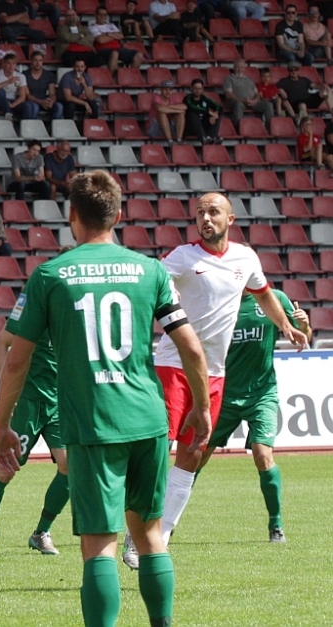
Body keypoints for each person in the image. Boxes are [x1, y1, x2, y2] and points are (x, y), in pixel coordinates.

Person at [0, 169, 212, 627]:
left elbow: (15, 361)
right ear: (119, 214)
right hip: (147, 419)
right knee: (150, 534)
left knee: (98, 543)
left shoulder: (51, 275)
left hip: (93, 424)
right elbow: (191, 348)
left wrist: (1, 425)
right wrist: (203, 407)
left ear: (71, 214)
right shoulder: (150, 270)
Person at [121, 192, 309, 569]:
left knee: (192, 455)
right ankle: (134, 532)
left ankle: (160, 537)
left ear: (230, 219)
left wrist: (286, 326)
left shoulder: (245, 258)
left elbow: (264, 294)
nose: (206, 218)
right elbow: (151, 280)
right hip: (174, 366)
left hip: (214, 374)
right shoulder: (183, 257)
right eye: (200, 213)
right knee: (157, 450)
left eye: (213, 212)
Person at [198, 290, 311, 543]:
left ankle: (276, 525)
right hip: (224, 395)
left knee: (263, 455)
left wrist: (303, 325)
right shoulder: (219, 300)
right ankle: (167, 522)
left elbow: (302, 336)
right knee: (196, 457)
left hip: (262, 394)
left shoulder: (274, 299)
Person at [0, 295, 67, 557]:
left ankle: (41, 533)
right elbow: (1, 344)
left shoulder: (77, 314)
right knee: (6, 469)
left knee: (69, 466)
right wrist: (7, 393)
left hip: (59, 404)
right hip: (28, 403)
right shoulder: (35, 309)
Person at [90, 6, 143, 74]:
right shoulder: (92, 27)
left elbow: (121, 36)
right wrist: (114, 36)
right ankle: (110, 78)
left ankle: (130, 77)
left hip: (117, 48)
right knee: (115, 53)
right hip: (102, 50)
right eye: (100, 14)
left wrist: (107, 34)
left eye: (105, 15)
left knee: (139, 55)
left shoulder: (111, 25)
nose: (103, 16)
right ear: (95, 15)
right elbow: (100, 40)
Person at [224, 59, 274, 124]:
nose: (240, 69)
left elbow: (256, 93)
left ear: (244, 69)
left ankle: (270, 127)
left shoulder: (249, 79)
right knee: (238, 105)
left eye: (242, 67)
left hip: (252, 101)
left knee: (268, 105)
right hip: (239, 101)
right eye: (238, 67)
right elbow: (228, 94)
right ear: (234, 68)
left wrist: (255, 100)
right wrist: (243, 100)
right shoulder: (229, 78)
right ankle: (238, 128)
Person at [0, 53, 35, 120]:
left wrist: (12, 105)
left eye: (13, 64)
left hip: (11, 101)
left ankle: (24, 125)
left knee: (28, 106)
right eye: (8, 63)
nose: (11, 66)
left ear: (16, 65)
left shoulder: (21, 76)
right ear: (4, 63)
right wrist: (8, 82)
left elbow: (22, 97)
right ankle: (8, 114)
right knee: (0, 91)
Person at [183, 78, 221, 145]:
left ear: (202, 89)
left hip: (203, 126)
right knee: (193, 114)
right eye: (195, 88)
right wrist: (208, 111)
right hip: (191, 128)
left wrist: (215, 114)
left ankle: (213, 138)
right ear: (191, 88)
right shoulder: (188, 98)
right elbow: (192, 107)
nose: (198, 91)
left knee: (216, 116)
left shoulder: (204, 98)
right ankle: (203, 139)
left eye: (200, 89)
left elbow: (218, 106)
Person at [148, 80, 186, 145]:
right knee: (161, 114)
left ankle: (179, 140)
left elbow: (184, 107)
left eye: (170, 90)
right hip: (155, 129)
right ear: (161, 90)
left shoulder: (173, 98)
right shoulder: (157, 98)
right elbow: (160, 108)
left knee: (181, 114)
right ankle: (170, 141)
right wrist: (177, 110)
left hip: (169, 129)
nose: (168, 92)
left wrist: (168, 107)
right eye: (165, 89)